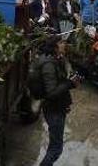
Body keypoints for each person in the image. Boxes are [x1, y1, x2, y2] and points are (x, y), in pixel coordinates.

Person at [37, 36, 79, 166]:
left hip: (58, 107)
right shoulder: (49, 65)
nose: (64, 44)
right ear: (55, 47)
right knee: (56, 149)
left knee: (55, 147)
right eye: (61, 42)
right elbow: (52, 93)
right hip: (53, 110)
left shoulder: (57, 59)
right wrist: (69, 83)